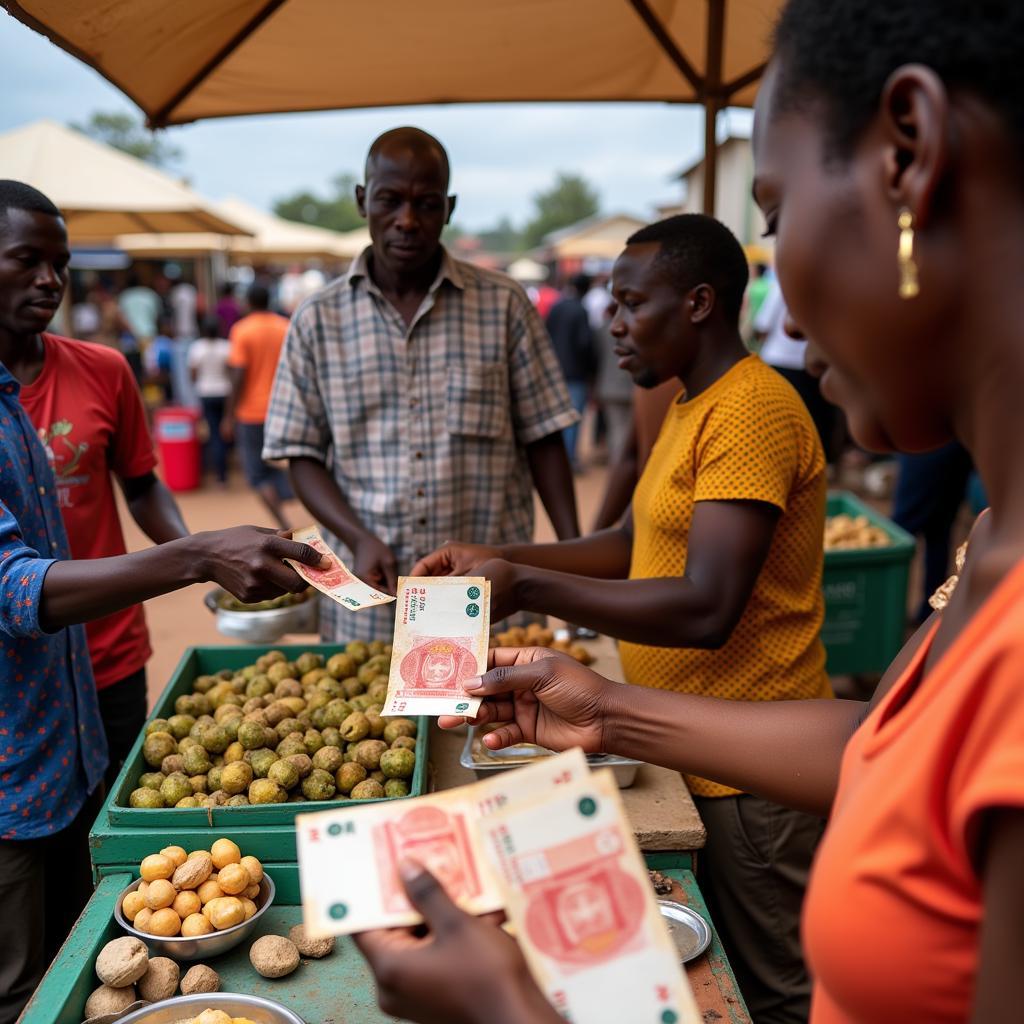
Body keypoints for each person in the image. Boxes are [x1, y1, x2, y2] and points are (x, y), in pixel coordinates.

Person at [354, 3, 1024, 1023]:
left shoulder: (757, 406)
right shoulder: (987, 555)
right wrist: (608, 705)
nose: (787, 313)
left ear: (908, 155)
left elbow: (706, 600)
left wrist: (510, 1008)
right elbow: (884, 750)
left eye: (773, 210)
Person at [415, 213, 829, 1022]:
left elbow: (706, 604)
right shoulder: (686, 407)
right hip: (687, 749)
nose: (612, 325)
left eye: (632, 304)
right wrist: (495, 555)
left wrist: (527, 587)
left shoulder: (750, 409)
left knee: (775, 991)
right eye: (612, 304)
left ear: (700, 302)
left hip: (751, 771)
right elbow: (630, 546)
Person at [0, 181, 330, 1024]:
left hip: (76, 701)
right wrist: (197, 556)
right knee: (18, 982)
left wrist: (200, 559)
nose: (50, 281)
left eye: (60, 265)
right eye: (25, 260)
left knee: (87, 948)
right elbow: (18, 584)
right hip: (10, 748)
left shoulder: (60, 385)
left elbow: (141, 488)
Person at [263, 127, 580, 644]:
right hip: (371, 601)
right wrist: (358, 536)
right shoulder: (317, 320)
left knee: (497, 722)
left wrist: (571, 562)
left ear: (449, 208)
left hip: (490, 596)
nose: (407, 220)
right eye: (390, 201)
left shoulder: (503, 305)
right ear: (363, 200)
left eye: (426, 204)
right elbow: (301, 455)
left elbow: (544, 438)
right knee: (372, 724)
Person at [223, 283, 293, 530]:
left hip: (251, 413)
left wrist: (228, 415)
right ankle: (294, 492)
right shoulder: (285, 326)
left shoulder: (242, 330)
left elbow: (238, 374)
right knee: (285, 463)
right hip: (284, 410)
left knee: (258, 473)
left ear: (248, 303)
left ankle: (283, 523)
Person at [755, 278, 841, 462]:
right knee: (812, 423)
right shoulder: (833, 284)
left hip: (783, 362)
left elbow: (763, 326)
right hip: (807, 367)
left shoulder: (785, 282)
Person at [544, 273, 595, 470]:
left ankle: (559, 460)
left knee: (557, 418)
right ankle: (569, 460)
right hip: (575, 373)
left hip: (555, 372)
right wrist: (591, 370)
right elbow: (584, 343)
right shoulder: (580, 310)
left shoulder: (557, 306)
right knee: (573, 419)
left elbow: (545, 336)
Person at [188, 315, 233, 485]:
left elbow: (192, 374)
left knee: (213, 432)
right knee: (226, 430)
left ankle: (218, 473)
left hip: (206, 393)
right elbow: (231, 371)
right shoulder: (226, 347)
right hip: (225, 392)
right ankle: (225, 470)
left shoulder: (197, 348)